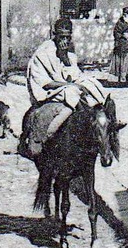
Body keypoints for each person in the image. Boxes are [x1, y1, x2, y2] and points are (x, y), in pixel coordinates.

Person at [22, 17, 107, 155]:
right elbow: (44, 82)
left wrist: (65, 58)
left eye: (68, 37)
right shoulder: (44, 53)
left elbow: (73, 74)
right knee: (72, 91)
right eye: (62, 37)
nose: (65, 41)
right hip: (48, 91)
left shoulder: (69, 52)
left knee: (93, 83)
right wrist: (70, 84)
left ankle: (101, 119)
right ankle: (47, 134)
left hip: (66, 85)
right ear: (55, 35)